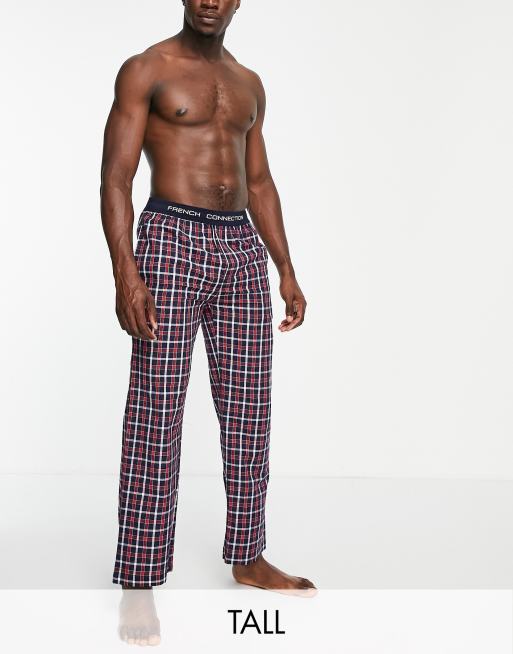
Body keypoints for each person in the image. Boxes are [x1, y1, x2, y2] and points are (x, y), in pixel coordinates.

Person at [101, 0, 316, 645]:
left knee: (249, 409)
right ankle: (139, 575)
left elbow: (261, 180)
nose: (210, 2)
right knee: (157, 410)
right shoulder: (147, 69)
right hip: (170, 238)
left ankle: (248, 555)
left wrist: (285, 269)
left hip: (240, 244)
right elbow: (115, 179)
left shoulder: (249, 83)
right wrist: (126, 274)